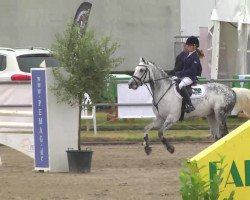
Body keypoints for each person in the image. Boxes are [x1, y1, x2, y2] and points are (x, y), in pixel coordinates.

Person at [170, 36, 204, 113]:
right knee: (173, 81)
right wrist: (175, 73)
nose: (187, 46)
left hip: (191, 77)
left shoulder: (195, 57)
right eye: (187, 45)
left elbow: (192, 71)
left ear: (194, 46)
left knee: (181, 85)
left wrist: (180, 73)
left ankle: (190, 105)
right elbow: (183, 67)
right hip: (184, 76)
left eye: (189, 45)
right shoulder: (187, 55)